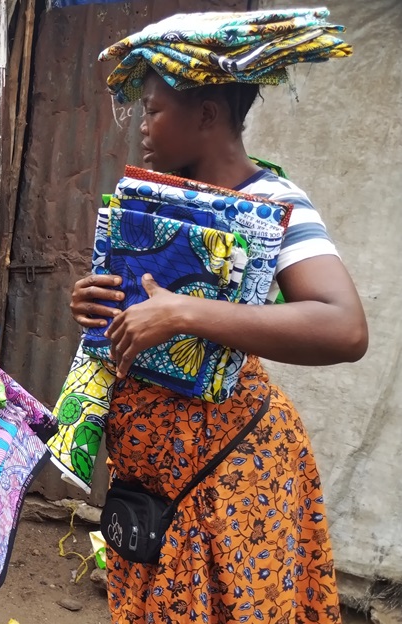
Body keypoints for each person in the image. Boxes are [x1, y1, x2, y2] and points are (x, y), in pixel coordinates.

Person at [69, 68, 368, 623]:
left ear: (206, 115)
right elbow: (133, 308)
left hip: (230, 476)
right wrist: (95, 303)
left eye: (154, 111)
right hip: (151, 479)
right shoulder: (152, 200)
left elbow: (344, 328)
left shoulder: (273, 201)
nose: (142, 128)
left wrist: (186, 312)